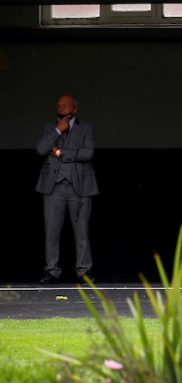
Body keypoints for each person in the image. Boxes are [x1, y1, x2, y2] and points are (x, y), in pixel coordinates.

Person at [35, 94, 97, 284]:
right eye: (59, 105)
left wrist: (62, 153)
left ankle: (83, 271)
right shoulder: (49, 127)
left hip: (79, 186)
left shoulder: (86, 128)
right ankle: (52, 270)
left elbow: (88, 153)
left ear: (75, 109)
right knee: (51, 231)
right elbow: (41, 149)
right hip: (53, 187)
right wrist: (57, 130)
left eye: (65, 105)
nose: (61, 108)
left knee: (81, 231)